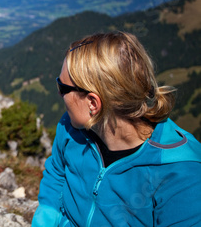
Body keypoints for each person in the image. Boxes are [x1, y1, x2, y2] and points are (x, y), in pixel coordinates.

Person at [32, 31, 201, 226]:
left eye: (63, 88)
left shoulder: (183, 174)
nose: (60, 95)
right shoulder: (70, 128)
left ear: (92, 104)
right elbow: (56, 174)